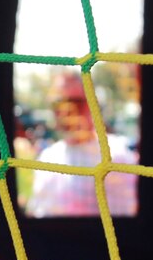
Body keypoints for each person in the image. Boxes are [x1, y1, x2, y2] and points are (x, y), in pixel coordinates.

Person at [23, 72, 137, 218]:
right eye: (58, 103)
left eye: (76, 102)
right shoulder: (46, 159)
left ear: (93, 104)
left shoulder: (118, 157)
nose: (66, 112)